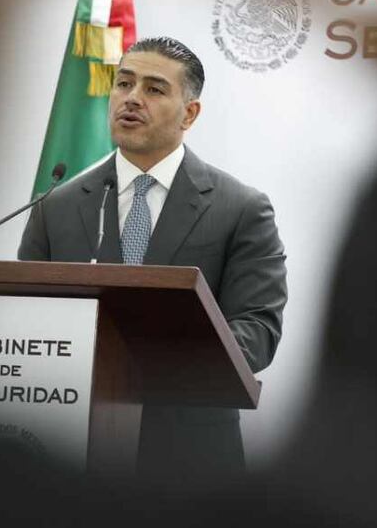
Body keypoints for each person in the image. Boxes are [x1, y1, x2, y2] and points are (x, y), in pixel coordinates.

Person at [18, 36, 287, 481]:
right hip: (69, 454)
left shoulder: (240, 208)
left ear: (190, 113)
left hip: (191, 463)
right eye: (123, 84)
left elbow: (257, 329)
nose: (132, 98)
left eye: (154, 89)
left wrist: (145, 359)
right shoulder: (56, 206)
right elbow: (25, 317)